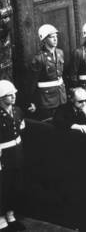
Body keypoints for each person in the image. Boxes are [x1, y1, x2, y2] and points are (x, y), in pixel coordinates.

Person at [0, 80, 26, 231]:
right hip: (3, 154)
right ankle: (1, 218)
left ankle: (10, 214)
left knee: (15, 185)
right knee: (3, 186)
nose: (13, 97)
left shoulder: (17, 110)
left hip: (17, 151)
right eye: (9, 95)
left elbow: (21, 126)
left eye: (13, 94)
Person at [28, 24, 67, 120]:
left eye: (56, 36)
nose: (55, 39)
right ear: (44, 39)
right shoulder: (38, 58)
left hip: (61, 95)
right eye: (52, 37)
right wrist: (32, 101)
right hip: (47, 99)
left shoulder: (60, 52)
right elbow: (32, 83)